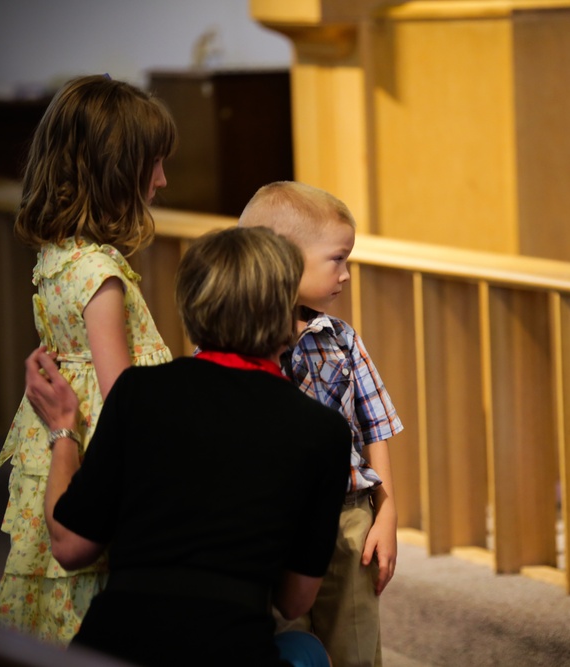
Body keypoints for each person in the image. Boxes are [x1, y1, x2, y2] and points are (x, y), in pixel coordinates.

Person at [25, 225, 352, 667]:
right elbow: (295, 601)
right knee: (308, 652)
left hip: (111, 649)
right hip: (230, 650)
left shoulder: (139, 393)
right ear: (283, 309)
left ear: (193, 302)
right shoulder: (322, 431)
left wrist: (64, 431)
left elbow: (69, 545)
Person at [0, 74, 178, 645]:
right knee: (93, 585)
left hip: (61, 440)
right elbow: (124, 398)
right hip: (97, 445)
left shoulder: (57, 256)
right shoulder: (101, 274)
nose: (163, 179)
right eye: (154, 163)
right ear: (113, 169)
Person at [239, 181, 404, 667]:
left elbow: (375, 428)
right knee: (286, 642)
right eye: (337, 259)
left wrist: (387, 513)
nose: (346, 275)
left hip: (347, 517)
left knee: (352, 640)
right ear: (285, 258)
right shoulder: (236, 340)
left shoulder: (342, 340)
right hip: (275, 520)